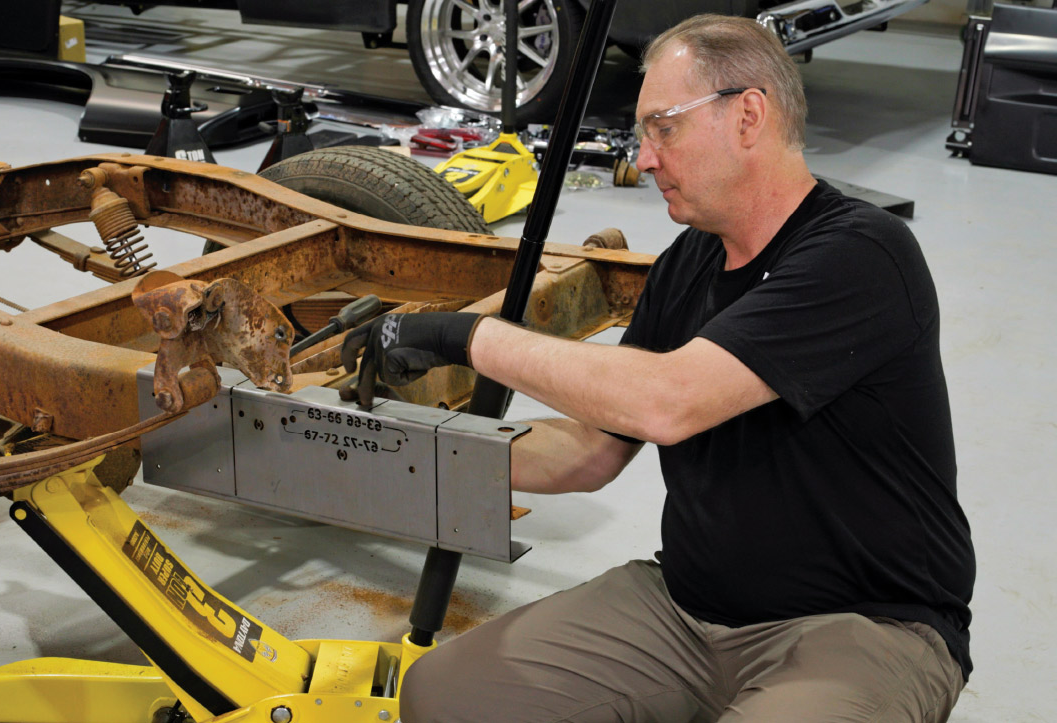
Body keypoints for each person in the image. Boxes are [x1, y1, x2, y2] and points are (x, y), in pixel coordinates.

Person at [340, 14, 975, 722]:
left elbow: (667, 401)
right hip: (686, 608)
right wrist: (403, 451)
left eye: (662, 127)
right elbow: (590, 448)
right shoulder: (690, 262)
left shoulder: (862, 254)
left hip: (861, 626)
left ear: (749, 115)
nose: (643, 159)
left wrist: (469, 337)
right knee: (442, 695)